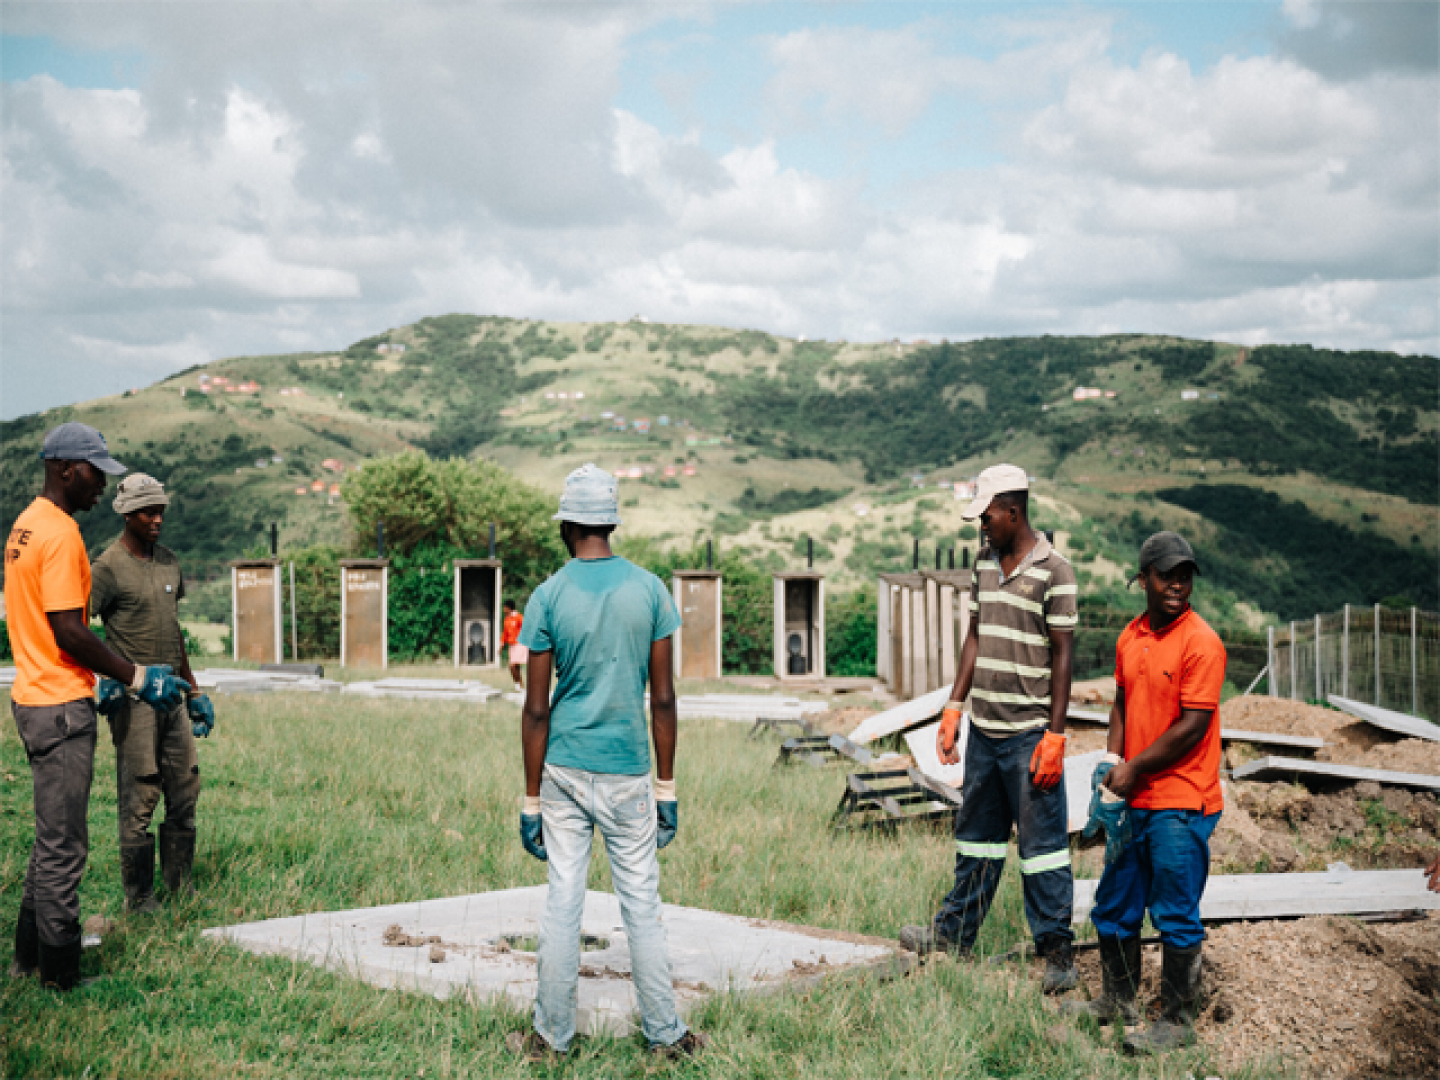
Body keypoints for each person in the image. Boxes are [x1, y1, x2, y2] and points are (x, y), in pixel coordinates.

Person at [507, 464, 705, 1063]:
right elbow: (663, 699)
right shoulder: (650, 591)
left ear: (567, 527)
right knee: (641, 902)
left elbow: (536, 709)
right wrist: (666, 788)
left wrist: (531, 800)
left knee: (563, 900)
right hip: (629, 773)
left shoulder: (548, 596)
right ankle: (666, 1035)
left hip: (564, 771)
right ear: (611, 524)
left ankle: (550, 1038)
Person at [5, 423, 189, 990]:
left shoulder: (25, 525)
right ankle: (62, 977)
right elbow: (69, 630)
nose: (101, 486)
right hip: (61, 703)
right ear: (66, 469)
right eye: (94, 473)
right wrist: (135, 676)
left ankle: (27, 960)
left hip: (33, 697)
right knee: (65, 848)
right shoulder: (60, 534)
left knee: (49, 840)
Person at [899, 463, 1079, 994]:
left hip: (1029, 736)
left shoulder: (1056, 571)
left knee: (1043, 850)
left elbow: (1064, 656)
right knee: (977, 841)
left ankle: (1058, 954)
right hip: (985, 732)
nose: (982, 526)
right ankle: (954, 936)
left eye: (987, 517)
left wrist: (1055, 735)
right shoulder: (983, 562)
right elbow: (974, 635)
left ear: (1013, 512)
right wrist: (954, 707)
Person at [1062, 531, 1226, 1054]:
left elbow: (1193, 726)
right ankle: (1119, 1001)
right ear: (1143, 578)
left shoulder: (1201, 642)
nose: (1177, 584)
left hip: (1181, 798)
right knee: (1115, 903)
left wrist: (1133, 768)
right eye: (1167, 574)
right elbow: (1121, 703)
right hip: (1134, 796)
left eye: (1185, 575)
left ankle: (1177, 1022)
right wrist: (1112, 762)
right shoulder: (1130, 637)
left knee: (1174, 910)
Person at [90, 474, 215, 912]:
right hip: (135, 699)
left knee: (185, 786)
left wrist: (193, 690)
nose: (157, 519)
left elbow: (174, 630)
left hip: (172, 695)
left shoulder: (168, 562)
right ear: (127, 514)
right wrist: (106, 677)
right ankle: (140, 898)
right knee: (141, 793)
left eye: (161, 511)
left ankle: (180, 887)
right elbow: (77, 627)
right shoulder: (107, 567)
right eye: (148, 512)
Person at [502, 599, 526, 692]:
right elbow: (505, 633)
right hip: (511, 645)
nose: (504, 609)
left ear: (509, 608)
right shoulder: (507, 619)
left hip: (519, 644)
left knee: (512, 665)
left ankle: (518, 684)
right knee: (516, 666)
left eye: (505, 607)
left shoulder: (518, 617)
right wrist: (502, 644)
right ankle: (519, 684)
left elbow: (525, 627)